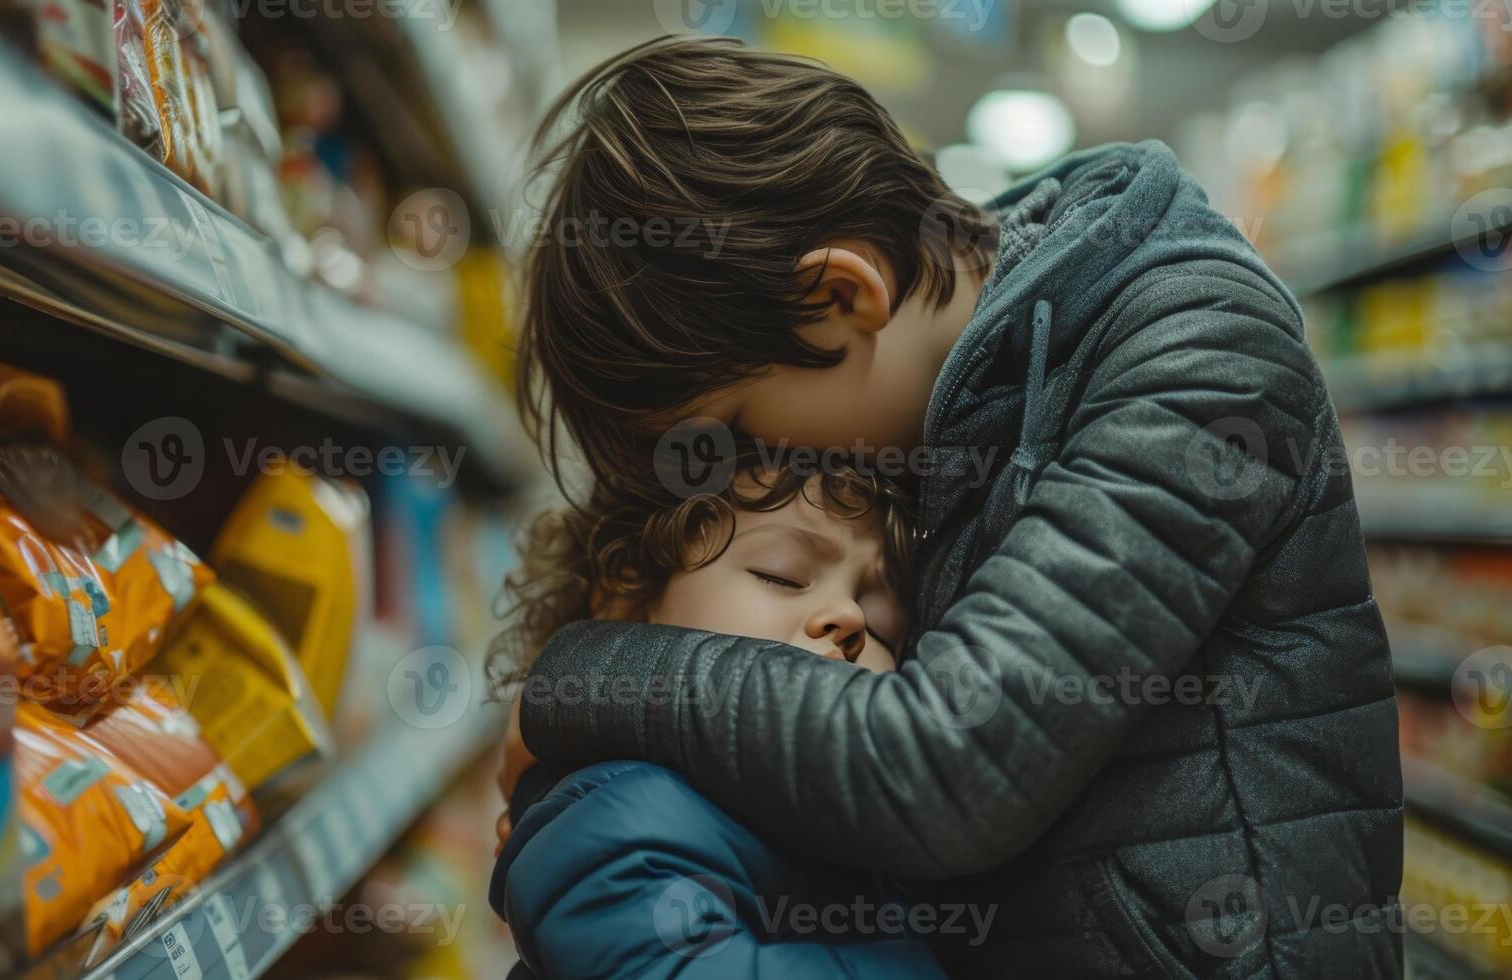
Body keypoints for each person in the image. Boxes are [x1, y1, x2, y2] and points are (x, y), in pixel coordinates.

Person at [498, 35, 1403, 977]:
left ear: (840, 294)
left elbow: (951, 766)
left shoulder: (1194, 343)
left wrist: (578, 678)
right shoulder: (953, 394)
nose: (745, 472)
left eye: (732, 426)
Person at [489, 463, 950, 978]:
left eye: (884, 623)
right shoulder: (617, 831)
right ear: (631, 601)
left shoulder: (841, 831)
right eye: (781, 575)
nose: (850, 616)